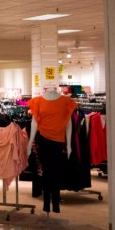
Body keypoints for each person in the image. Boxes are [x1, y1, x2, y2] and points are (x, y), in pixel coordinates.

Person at [27, 87, 77, 215]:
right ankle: (46, 204)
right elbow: (34, 123)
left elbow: (68, 123)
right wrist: (29, 143)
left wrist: (69, 144)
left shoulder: (66, 101)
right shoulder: (37, 101)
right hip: (43, 140)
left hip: (58, 141)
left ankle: (55, 203)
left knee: (56, 172)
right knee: (46, 172)